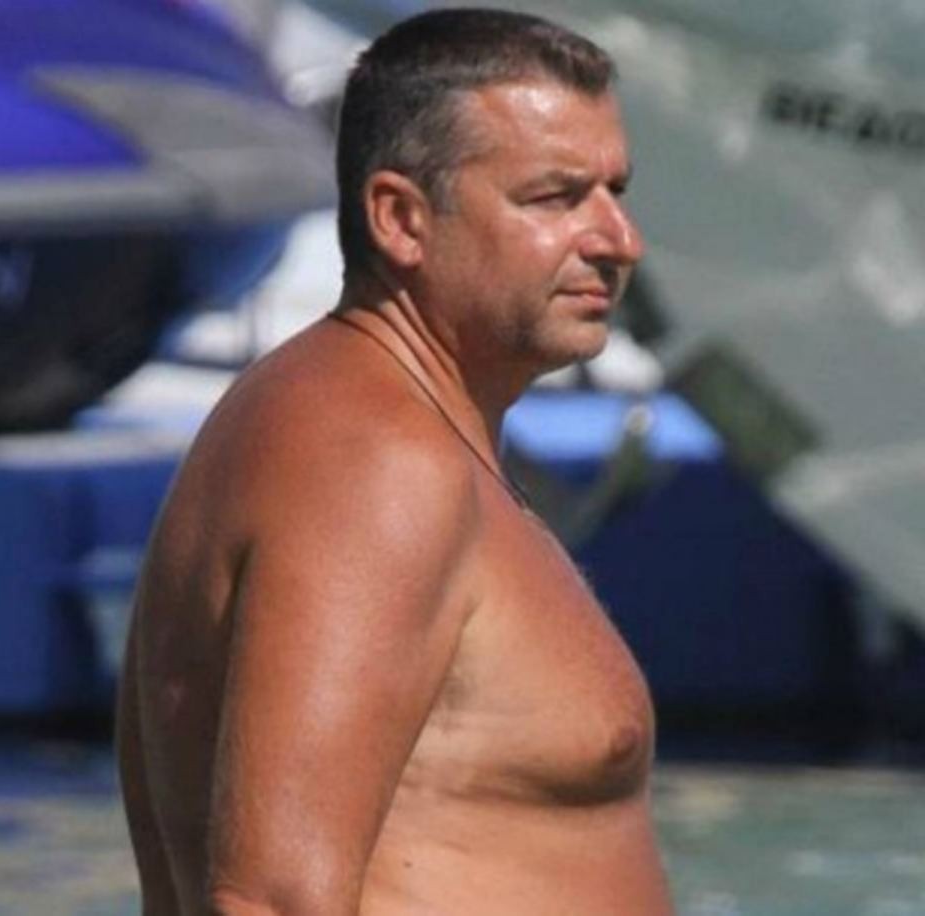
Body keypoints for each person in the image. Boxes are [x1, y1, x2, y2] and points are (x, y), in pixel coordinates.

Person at [117, 8, 672, 914]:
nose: (619, 240)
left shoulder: (387, 433)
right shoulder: (373, 459)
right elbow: (274, 900)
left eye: (615, 191)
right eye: (556, 197)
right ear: (401, 219)